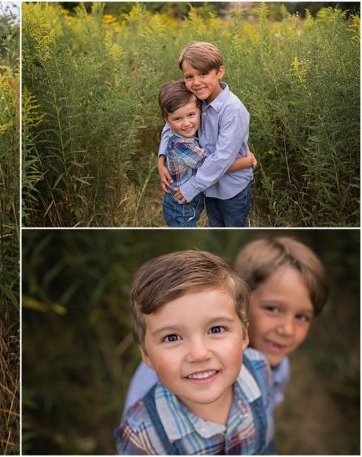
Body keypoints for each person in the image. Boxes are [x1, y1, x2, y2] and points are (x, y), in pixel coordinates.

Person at [123, 237, 327, 415]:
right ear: (241, 305)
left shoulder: (277, 366)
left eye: (301, 317)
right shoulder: (164, 372)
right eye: (272, 309)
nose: (287, 330)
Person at [115, 250, 273, 454]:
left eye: (216, 329)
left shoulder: (259, 369)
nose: (199, 354)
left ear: (244, 336)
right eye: (172, 337)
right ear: (146, 355)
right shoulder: (141, 434)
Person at [158, 42, 254, 226]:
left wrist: (192, 187)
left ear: (219, 72)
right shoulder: (195, 98)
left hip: (231, 187)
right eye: (189, 76)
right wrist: (161, 157)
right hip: (208, 187)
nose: (196, 82)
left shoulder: (232, 110)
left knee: (233, 227)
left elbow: (221, 158)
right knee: (215, 226)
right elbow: (170, 124)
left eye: (203, 74)